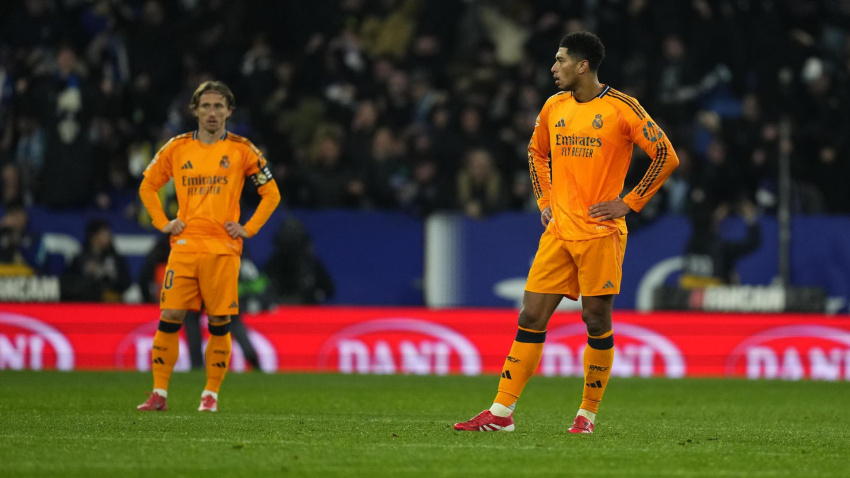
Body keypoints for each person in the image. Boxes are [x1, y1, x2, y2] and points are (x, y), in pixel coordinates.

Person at [454, 32, 679, 434]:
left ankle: (586, 415)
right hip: (558, 231)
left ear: (583, 65)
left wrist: (630, 202)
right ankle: (501, 413)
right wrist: (544, 201)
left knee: (595, 320)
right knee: (531, 315)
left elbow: (666, 155)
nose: (553, 68)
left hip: (599, 234)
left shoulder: (622, 108)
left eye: (560, 61)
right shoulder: (553, 106)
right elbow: (535, 152)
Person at [136, 80, 280, 412]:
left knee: (219, 322)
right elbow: (147, 186)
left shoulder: (243, 149)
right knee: (169, 316)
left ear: (229, 111)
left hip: (222, 250)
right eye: (206, 106)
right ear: (195, 110)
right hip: (184, 247)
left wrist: (248, 228)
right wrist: (163, 223)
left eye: (218, 106)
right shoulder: (177, 147)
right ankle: (159, 393)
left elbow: (272, 193)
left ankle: (210, 395)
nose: (212, 113)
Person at [679, 199, 761, 288]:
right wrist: (751, 218)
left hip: (689, 296)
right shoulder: (721, 248)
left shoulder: (691, 243)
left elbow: (699, 219)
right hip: (713, 297)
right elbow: (752, 243)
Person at [61, 219, 131, 302]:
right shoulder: (80, 258)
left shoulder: (115, 258)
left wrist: (112, 278)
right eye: (104, 234)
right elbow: (69, 284)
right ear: (94, 236)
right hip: (85, 303)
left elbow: (126, 282)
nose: (108, 237)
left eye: (109, 234)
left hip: (110, 304)